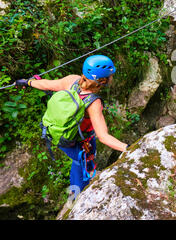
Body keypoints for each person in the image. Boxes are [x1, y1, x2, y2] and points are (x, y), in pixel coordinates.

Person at [15, 55, 129, 193]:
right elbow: (103, 136)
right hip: (79, 141)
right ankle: (78, 196)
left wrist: (27, 82)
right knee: (84, 166)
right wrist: (129, 149)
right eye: (110, 76)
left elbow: (46, 84)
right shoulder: (93, 102)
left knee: (77, 162)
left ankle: (75, 189)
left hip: (58, 136)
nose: (112, 78)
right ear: (102, 80)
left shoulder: (72, 81)